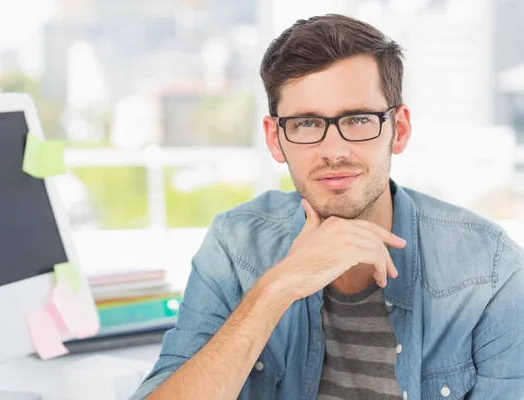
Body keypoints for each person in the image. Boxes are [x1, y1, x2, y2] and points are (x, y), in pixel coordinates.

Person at [130, 14, 524, 400]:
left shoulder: (488, 269)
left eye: (357, 119)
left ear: (398, 130)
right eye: (305, 124)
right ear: (274, 138)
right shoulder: (234, 247)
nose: (334, 151)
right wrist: (278, 286)